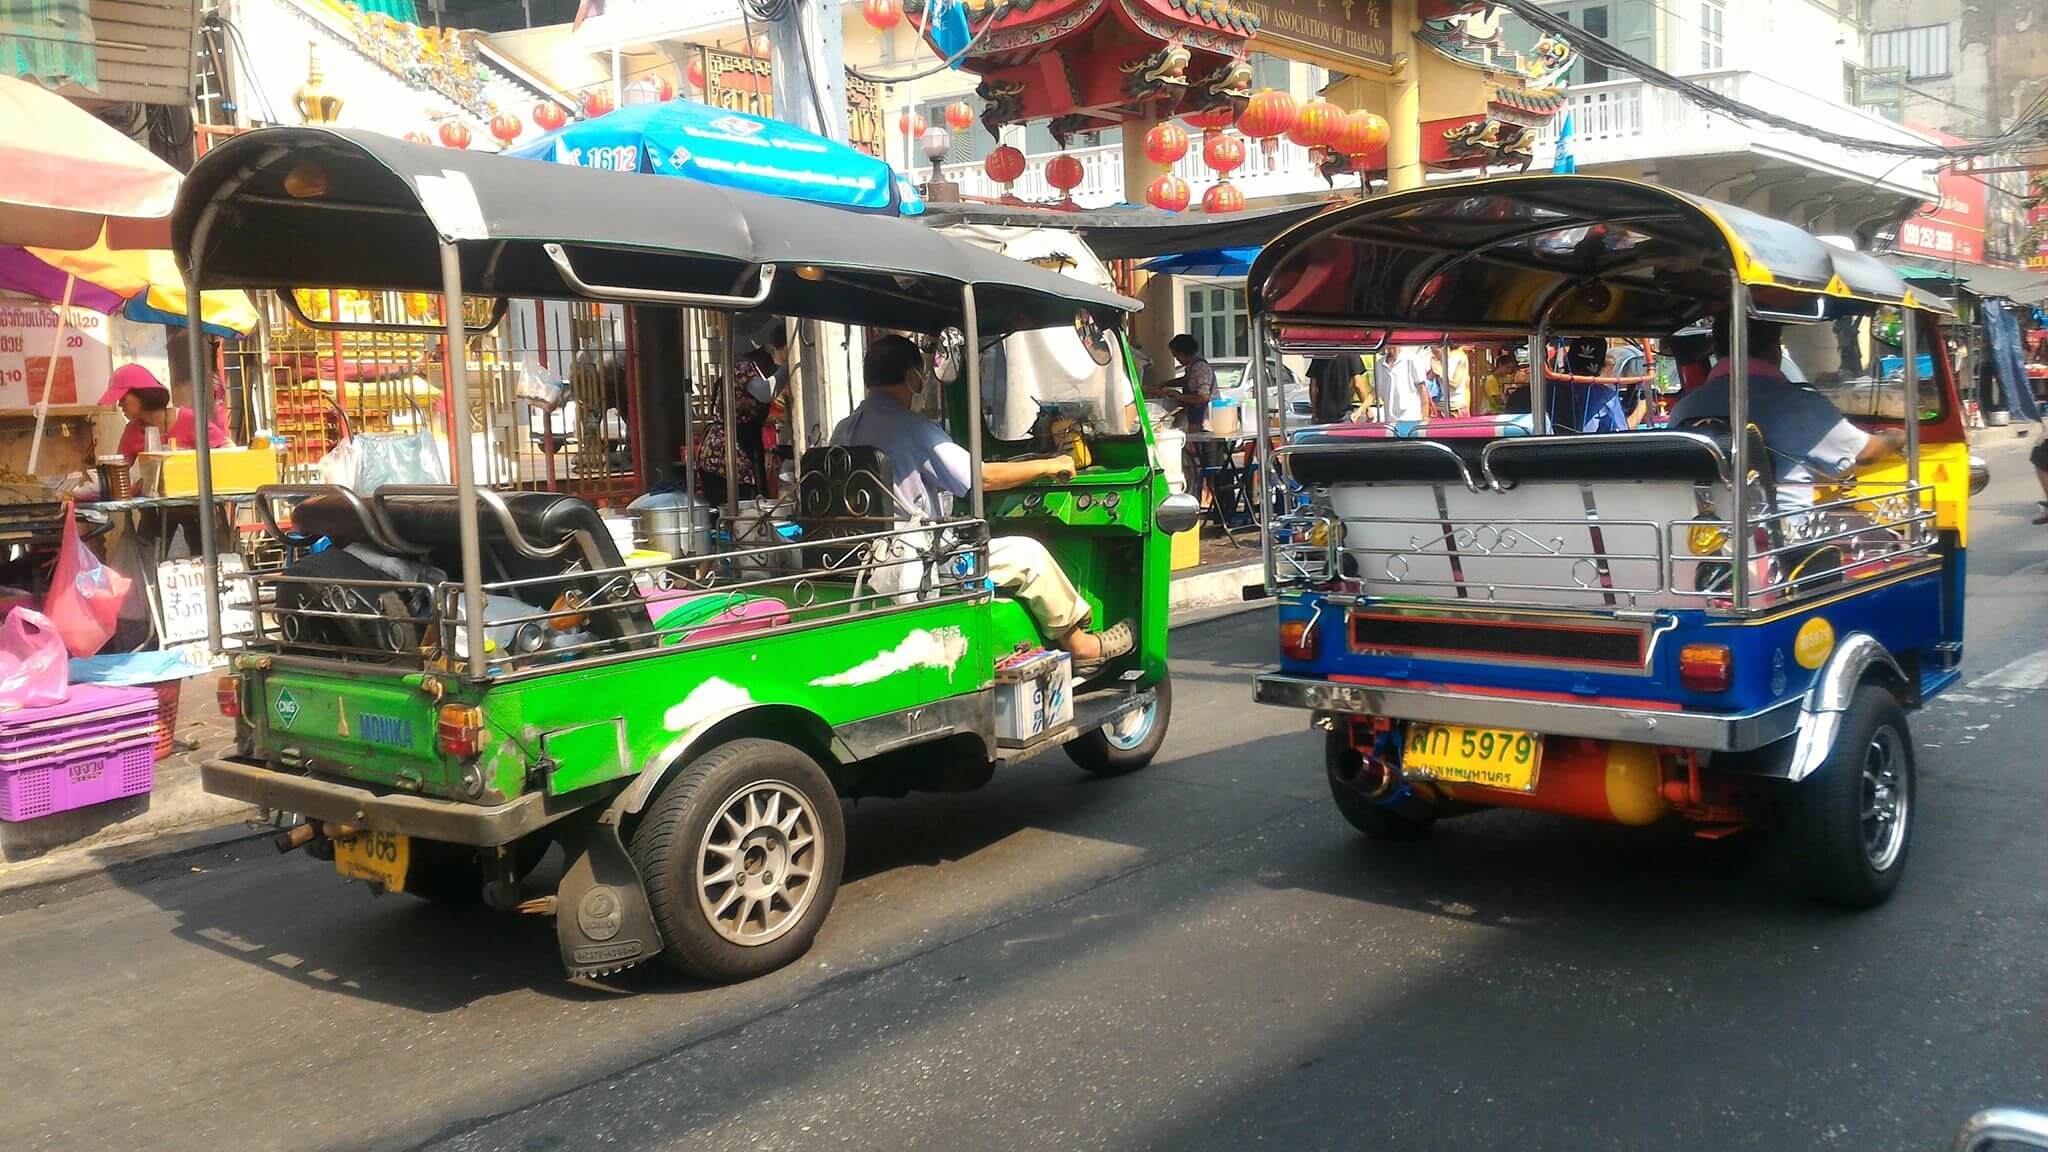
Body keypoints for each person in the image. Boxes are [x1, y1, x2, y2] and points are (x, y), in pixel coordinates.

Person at [833, 336, 1135, 678]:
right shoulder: (914, 428)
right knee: (1028, 555)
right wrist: (1049, 465)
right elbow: (980, 479)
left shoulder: (844, 429)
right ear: (914, 379)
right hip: (917, 563)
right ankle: (1081, 645)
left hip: (863, 559)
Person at [1669, 317, 1904, 513]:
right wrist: (1895, 437)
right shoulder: (1799, 405)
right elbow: (1866, 453)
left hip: (1700, 539)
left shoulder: (1684, 409)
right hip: (1782, 545)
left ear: (1717, 350)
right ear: (1774, 349)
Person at [99, 364, 232, 464]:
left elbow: (227, 446)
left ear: (141, 395)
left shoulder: (188, 419)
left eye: (123, 398)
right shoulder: (132, 431)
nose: (120, 404)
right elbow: (119, 469)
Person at [1307, 352, 1365, 424]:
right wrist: (1366, 407)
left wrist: (1315, 411)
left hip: (1324, 413)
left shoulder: (1319, 355)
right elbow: (1357, 385)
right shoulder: (1351, 353)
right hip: (1344, 412)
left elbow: (1313, 388)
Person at [1378, 345, 1426, 423]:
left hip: (1411, 418)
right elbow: (1375, 391)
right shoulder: (1380, 363)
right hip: (1390, 420)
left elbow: (1422, 389)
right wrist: (1360, 411)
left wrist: (1425, 418)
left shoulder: (1412, 358)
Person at [1444, 345, 1472, 417]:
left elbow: (1460, 385)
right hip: (1456, 405)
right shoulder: (1460, 356)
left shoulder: (1460, 357)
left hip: (1454, 405)